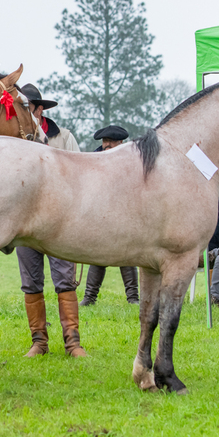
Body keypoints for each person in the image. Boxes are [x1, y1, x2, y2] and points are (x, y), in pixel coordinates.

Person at [16, 84, 86, 357]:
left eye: (26, 108)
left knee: (65, 281)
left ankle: (73, 342)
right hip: (25, 221)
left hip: (59, 221)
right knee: (31, 283)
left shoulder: (64, 138)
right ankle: (39, 342)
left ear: (38, 109)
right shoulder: (14, 140)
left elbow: (80, 174)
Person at [80, 125, 139, 306]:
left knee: (127, 255)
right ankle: (89, 298)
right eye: (104, 141)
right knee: (99, 255)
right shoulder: (94, 160)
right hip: (101, 213)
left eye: (110, 141)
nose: (106, 145)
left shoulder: (132, 160)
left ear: (120, 142)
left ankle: (133, 299)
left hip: (125, 212)